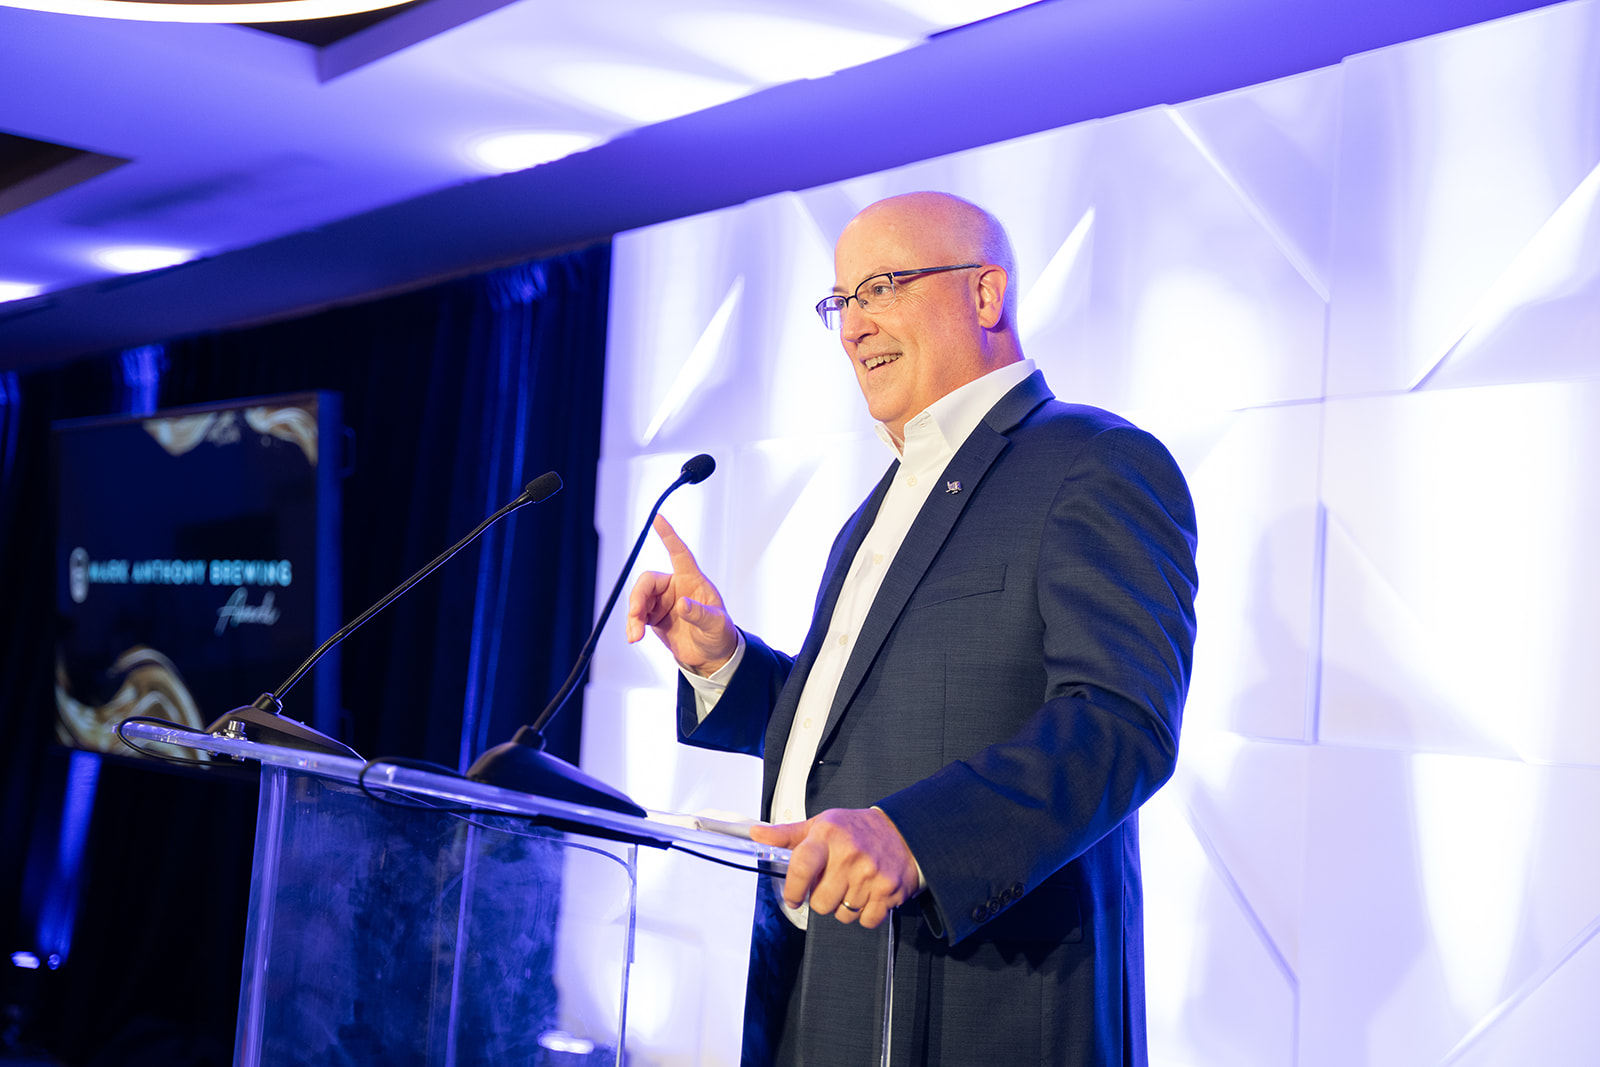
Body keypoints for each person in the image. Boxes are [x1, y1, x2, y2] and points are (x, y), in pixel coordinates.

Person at [626, 192, 1198, 1066]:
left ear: (985, 293)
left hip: (980, 1000)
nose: (853, 326)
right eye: (841, 301)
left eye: (882, 287)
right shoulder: (878, 506)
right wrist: (725, 664)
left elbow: (1122, 723)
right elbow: (854, 730)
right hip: (823, 979)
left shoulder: (1094, 461)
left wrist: (915, 836)